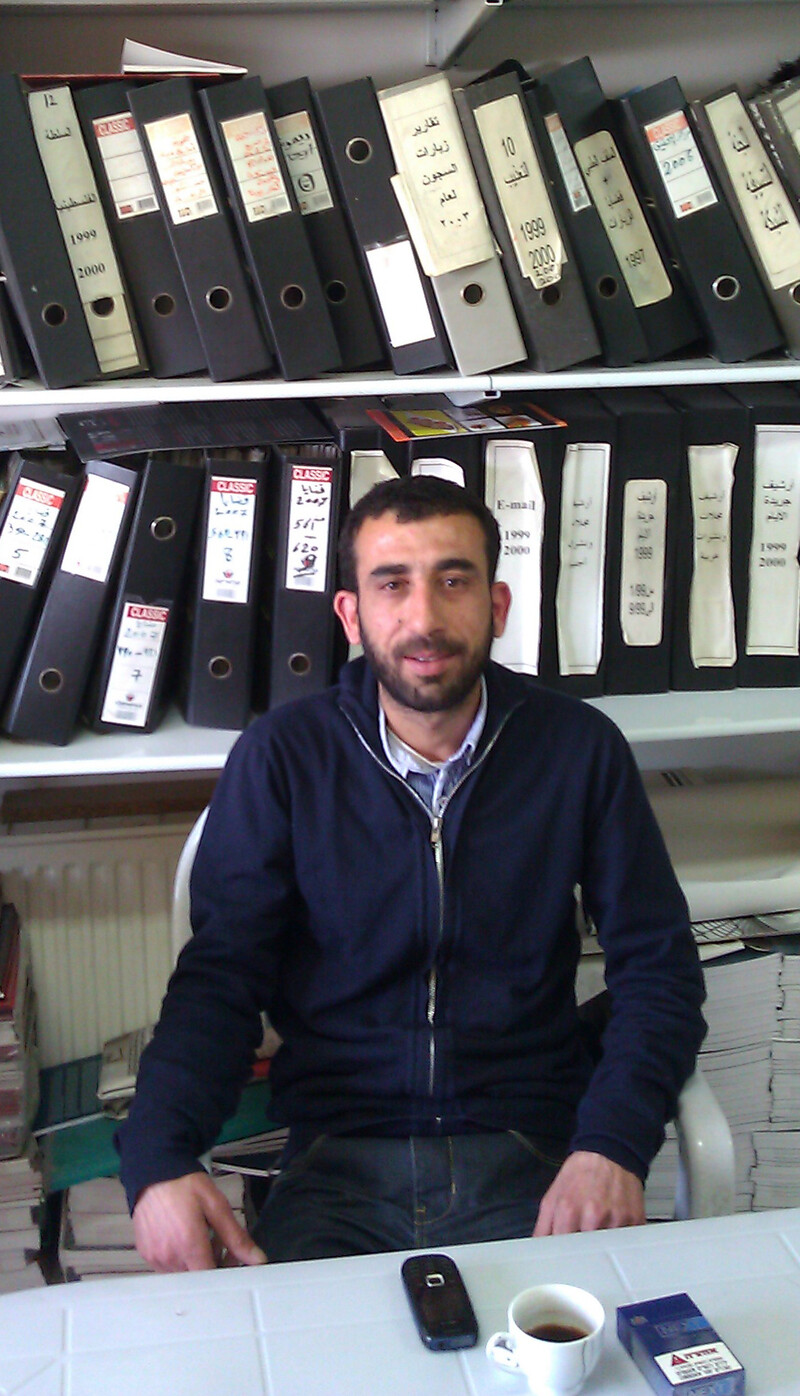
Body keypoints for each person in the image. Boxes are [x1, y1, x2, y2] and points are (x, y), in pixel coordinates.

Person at [118, 473, 706, 1272]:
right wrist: (159, 1160)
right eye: (392, 585)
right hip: (338, 1162)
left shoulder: (577, 750)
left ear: (496, 607)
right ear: (351, 616)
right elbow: (220, 981)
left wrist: (613, 1145)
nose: (424, 619)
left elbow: (660, 972)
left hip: (531, 1154)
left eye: (452, 581)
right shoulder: (285, 758)